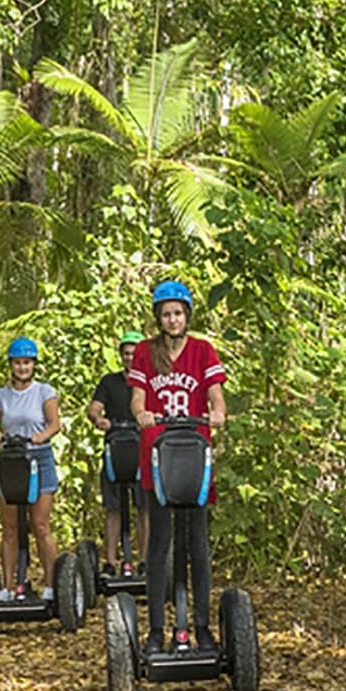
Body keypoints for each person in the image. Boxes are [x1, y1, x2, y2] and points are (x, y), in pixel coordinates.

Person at [130, 280, 228, 655]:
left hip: (194, 454)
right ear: (159, 317)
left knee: (197, 543)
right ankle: (156, 629)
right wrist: (142, 414)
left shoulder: (203, 351)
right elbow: (138, 399)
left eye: (178, 313)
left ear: (187, 315)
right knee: (160, 543)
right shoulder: (145, 352)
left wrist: (217, 413)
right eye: (166, 313)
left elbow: (216, 396)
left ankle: (201, 627)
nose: (172, 319)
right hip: (158, 454)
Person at [0, 337, 61, 600]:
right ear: (11, 365)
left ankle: (51, 586)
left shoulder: (44, 391)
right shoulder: (2, 395)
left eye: (27, 363)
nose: (22, 368)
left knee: (40, 525)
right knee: (10, 529)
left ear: (33, 365)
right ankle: (8, 586)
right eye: (18, 363)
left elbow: (55, 424)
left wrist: (42, 435)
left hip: (38, 458)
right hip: (12, 460)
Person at [87, 332, 148, 574]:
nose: (130, 358)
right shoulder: (109, 382)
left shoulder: (149, 382)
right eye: (126, 353)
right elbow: (94, 408)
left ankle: (144, 561)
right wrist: (98, 419)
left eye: (135, 354)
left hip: (141, 448)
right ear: (121, 355)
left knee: (143, 507)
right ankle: (111, 562)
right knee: (113, 507)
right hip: (115, 447)